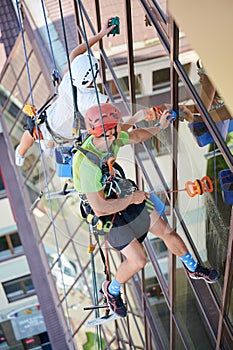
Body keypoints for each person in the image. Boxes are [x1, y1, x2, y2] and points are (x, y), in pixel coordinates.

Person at [72, 103, 220, 318]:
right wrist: (133, 198)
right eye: (116, 127)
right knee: (138, 260)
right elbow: (101, 207)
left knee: (166, 231)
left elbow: (136, 136)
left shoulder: (109, 139)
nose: (120, 131)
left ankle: (192, 267)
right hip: (107, 213)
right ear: (106, 131)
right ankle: (112, 291)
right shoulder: (86, 165)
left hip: (122, 191)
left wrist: (159, 127)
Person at [15, 18, 116, 166]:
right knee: (40, 138)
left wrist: (101, 34)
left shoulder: (71, 77)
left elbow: (75, 52)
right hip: (58, 131)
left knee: (33, 136)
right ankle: (26, 151)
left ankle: (21, 153)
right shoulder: (90, 99)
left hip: (51, 120)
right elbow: (111, 111)